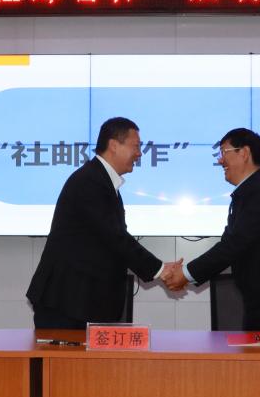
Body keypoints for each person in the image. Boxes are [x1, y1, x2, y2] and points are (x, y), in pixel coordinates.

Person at [27, 117, 181, 329]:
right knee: (64, 353)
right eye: (136, 146)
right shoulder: (90, 181)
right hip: (67, 301)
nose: (139, 153)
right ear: (114, 145)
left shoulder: (101, 181)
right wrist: (160, 269)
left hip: (81, 301)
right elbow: (115, 237)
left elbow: (111, 239)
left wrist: (159, 268)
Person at [162, 128, 260, 331]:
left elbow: (233, 246)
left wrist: (186, 274)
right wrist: (186, 273)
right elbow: (229, 244)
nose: (220, 160)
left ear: (244, 153)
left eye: (223, 152)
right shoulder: (249, 192)